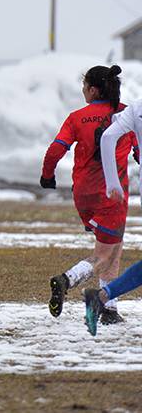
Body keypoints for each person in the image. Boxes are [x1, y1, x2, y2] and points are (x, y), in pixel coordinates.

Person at [40, 65, 137, 325]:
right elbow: (140, 152)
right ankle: (67, 280)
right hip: (112, 194)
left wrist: (47, 176)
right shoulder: (127, 115)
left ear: (94, 90)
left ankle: (110, 310)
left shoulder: (77, 117)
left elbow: (55, 151)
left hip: (83, 194)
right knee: (106, 253)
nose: (83, 91)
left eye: (84, 87)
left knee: (113, 245)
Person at [83, 80, 142, 335]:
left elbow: (108, 137)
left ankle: (103, 297)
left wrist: (112, 182)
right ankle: (102, 297)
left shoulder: (137, 107)